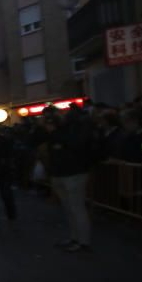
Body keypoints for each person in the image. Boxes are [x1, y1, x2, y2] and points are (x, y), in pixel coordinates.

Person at [34, 107, 95, 251]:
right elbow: (35, 140)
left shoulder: (72, 131)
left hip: (73, 173)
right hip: (61, 173)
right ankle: (75, 237)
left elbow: (74, 146)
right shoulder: (57, 133)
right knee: (69, 208)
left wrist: (53, 132)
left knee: (76, 207)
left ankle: (83, 241)